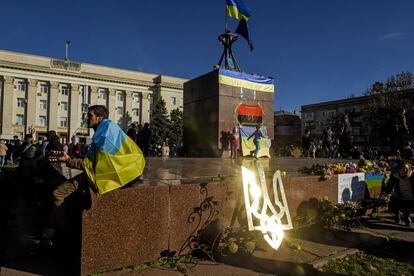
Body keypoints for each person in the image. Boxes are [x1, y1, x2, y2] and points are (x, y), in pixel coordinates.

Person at [49, 105, 146, 240]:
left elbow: (96, 165)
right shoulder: (104, 130)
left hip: (108, 174)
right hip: (118, 171)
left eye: (90, 115)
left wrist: (70, 161)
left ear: (99, 118)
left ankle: (63, 233)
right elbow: (94, 161)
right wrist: (69, 159)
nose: (86, 118)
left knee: (58, 194)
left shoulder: (104, 134)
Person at [385, 162, 414, 226]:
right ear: (399, 170)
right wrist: (389, 193)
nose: (407, 170)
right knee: (393, 200)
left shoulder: (412, 176)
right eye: (404, 168)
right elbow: (389, 185)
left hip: (411, 196)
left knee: (408, 205)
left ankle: (407, 216)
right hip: (400, 196)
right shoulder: (395, 176)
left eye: (408, 168)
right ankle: (397, 214)